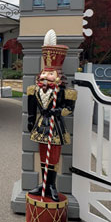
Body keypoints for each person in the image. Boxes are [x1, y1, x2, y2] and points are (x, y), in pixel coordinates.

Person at [27, 30, 77, 202]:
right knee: (43, 154)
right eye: (44, 73)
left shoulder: (65, 92)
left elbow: (69, 109)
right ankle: (43, 183)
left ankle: (52, 185)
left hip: (55, 125)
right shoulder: (34, 90)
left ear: (58, 76)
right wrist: (30, 120)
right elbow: (31, 107)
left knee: (54, 156)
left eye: (50, 74)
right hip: (42, 124)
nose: (46, 77)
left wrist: (59, 111)